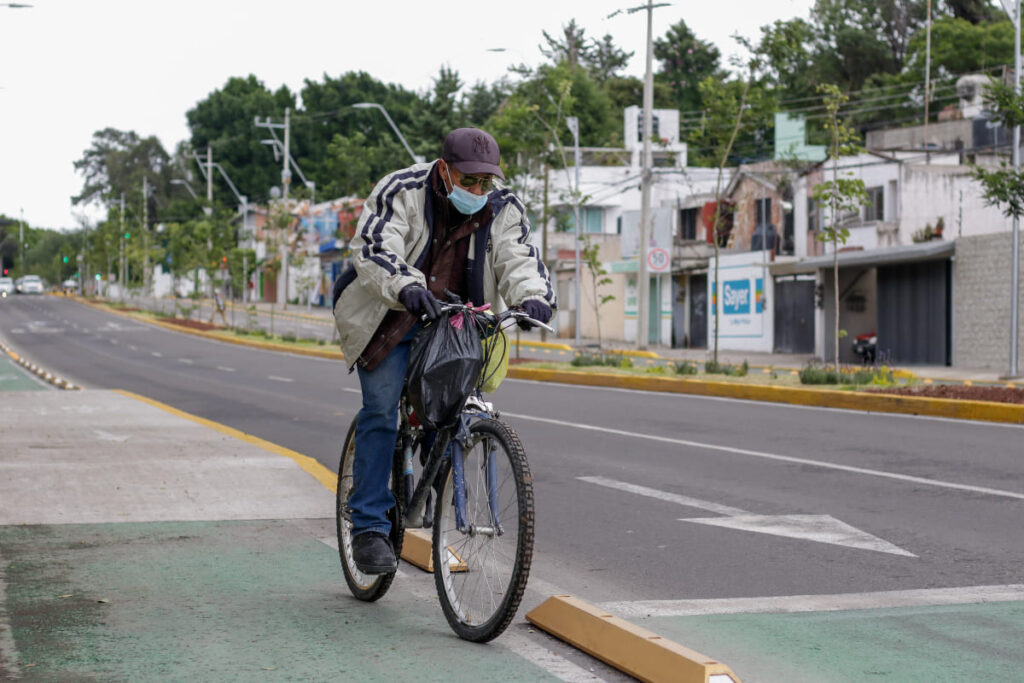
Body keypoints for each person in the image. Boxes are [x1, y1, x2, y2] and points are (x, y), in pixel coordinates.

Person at [332, 127, 555, 574]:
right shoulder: (403, 190)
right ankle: (370, 527)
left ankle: (432, 477)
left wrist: (533, 297)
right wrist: (407, 287)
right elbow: (374, 248)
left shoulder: (503, 206)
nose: (477, 190)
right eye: (468, 180)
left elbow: (519, 257)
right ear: (444, 169)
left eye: (485, 182)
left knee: (449, 412)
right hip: (390, 316)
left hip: (456, 322)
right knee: (381, 410)